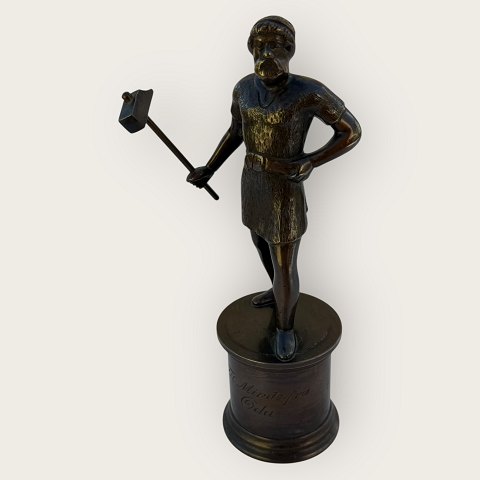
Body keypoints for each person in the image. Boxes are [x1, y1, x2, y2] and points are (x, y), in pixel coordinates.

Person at [187, 16, 361, 361]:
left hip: (284, 188)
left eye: (276, 46)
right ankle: (278, 294)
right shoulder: (242, 89)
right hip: (253, 183)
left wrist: (311, 161)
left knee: (284, 263)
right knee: (258, 241)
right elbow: (236, 132)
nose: (267, 52)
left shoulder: (309, 92)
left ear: (290, 50)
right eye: (260, 46)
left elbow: (351, 131)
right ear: (251, 51)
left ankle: (284, 328)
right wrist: (210, 167)